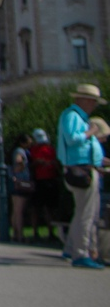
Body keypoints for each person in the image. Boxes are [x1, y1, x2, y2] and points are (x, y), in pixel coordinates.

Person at [57, 84, 108, 269]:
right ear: (83, 100)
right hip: (81, 170)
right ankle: (81, 253)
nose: (94, 106)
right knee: (86, 215)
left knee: (82, 212)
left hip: (84, 168)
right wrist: (91, 132)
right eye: (93, 102)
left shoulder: (78, 117)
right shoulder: (73, 116)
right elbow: (73, 139)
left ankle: (71, 248)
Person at [28, 127, 60, 241]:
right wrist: (37, 163)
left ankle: (51, 232)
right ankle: (35, 232)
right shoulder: (34, 149)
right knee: (36, 208)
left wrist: (52, 164)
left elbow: (56, 163)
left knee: (49, 208)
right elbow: (30, 164)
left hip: (49, 179)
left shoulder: (50, 149)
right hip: (39, 180)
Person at [9, 132, 34, 243]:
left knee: (16, 210)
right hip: (21, 183)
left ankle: (15, 234)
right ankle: (20, 235)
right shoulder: (20, 151)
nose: (29, 146)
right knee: (19, 211)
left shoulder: (16, 150)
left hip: (15, 183)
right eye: (28, 143)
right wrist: (24, 164)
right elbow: (18, 163)